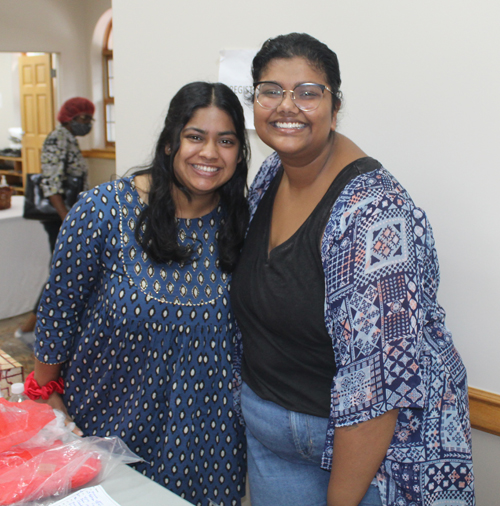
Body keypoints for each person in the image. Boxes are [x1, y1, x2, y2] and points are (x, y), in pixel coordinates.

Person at [231, 33, 475, 506]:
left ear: (335, 106)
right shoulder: (270, 176)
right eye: (270, 90)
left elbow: (379, 384)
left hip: (363, 457)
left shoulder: (374, 213)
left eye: (307, 92)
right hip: (270, 437)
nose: (287, 106)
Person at [28, 82, 249, 506]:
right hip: (107, 431)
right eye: (195, 137)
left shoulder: (243, 223)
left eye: (226, 141)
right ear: (169, 143)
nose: (210, 153)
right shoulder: (104, 211)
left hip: (210, 445)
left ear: (239, 154)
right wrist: (48, 400)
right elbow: (58, 313)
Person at [15, 97, 95, 343]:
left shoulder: (68, 139)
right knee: (60, 272)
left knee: (62, 270)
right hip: (59, 217)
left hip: (66, 217)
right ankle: (30, 327)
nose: (87, 124)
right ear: (69, 118)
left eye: (89, 119)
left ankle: (35, 325)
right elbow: (51, 184)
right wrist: (67, 220)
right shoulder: (58, 138)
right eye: (83, 118)